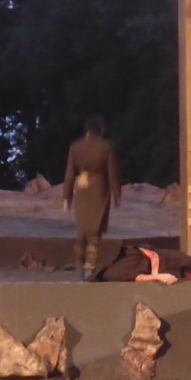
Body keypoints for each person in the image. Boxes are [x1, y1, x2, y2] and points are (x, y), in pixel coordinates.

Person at [63, 115, 121, 280]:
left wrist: (66, 196)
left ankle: (80, 265)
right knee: (95, 230)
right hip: (99, 188)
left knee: (82, 229)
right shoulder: (106, 146)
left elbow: (69, 174)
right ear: (100, 129)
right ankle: (90, 266)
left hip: (81, 189)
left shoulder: (75, 147)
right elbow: (113, 173)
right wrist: (117, 195)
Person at [88, 243, 191, 284]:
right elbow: (138, 278)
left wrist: (152, 254)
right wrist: (159, 276)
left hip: (161, 257)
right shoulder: (112, 272)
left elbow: (141, 249)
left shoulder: (123, 251)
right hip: (158, 270)